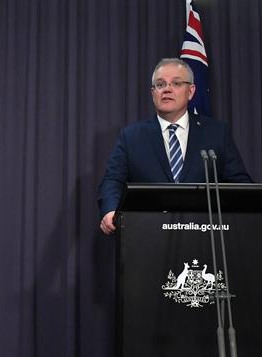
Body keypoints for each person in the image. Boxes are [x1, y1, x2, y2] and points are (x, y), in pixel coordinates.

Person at [97, 58, 251, 235]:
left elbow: (240, 183)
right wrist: (110, 210)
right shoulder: (131, 136)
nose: (167, 89)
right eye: (160, 84)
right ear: (153, 92)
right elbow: (112, 180)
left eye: (176, 83)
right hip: (148, 236)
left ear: (191, 91)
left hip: (204, 235)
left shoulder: (216, 133)